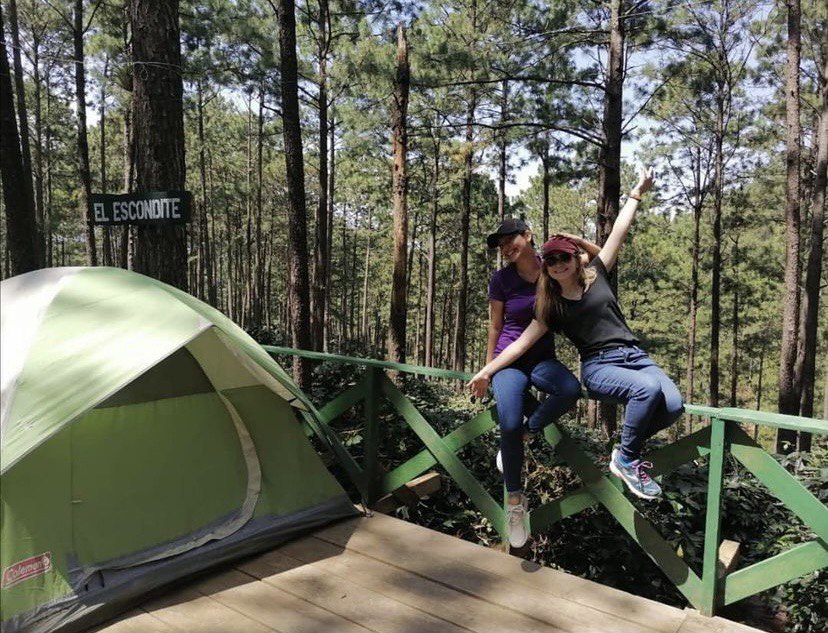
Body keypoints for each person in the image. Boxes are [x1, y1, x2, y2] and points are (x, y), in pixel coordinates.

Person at [470, 168, 683, 502]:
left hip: (635, 355)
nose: (556, 264)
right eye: (551, 261)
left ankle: (625, 451)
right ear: (548, 271)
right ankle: (624, 458)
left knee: (673, 405)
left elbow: (617, 235)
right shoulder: (551, 305)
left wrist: (637, 192)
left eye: (562, 258)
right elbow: (518, 339)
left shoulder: (595, 274)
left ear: (574, 258)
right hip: (599, 363)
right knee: (647, 390)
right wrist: (486, 370)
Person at [483, 217, 599, 548]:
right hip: (508, 359)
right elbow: (495, 326)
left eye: (511, 240)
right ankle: (515, 503)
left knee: (569, 389)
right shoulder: (501, 279)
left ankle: (524, 434)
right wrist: (490, 367)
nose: (506, 248)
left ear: (528, 236)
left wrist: (572, 236)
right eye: (501, 245)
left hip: (542, 359)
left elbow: (598, 256)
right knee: (506, 419)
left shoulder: (554, 267)